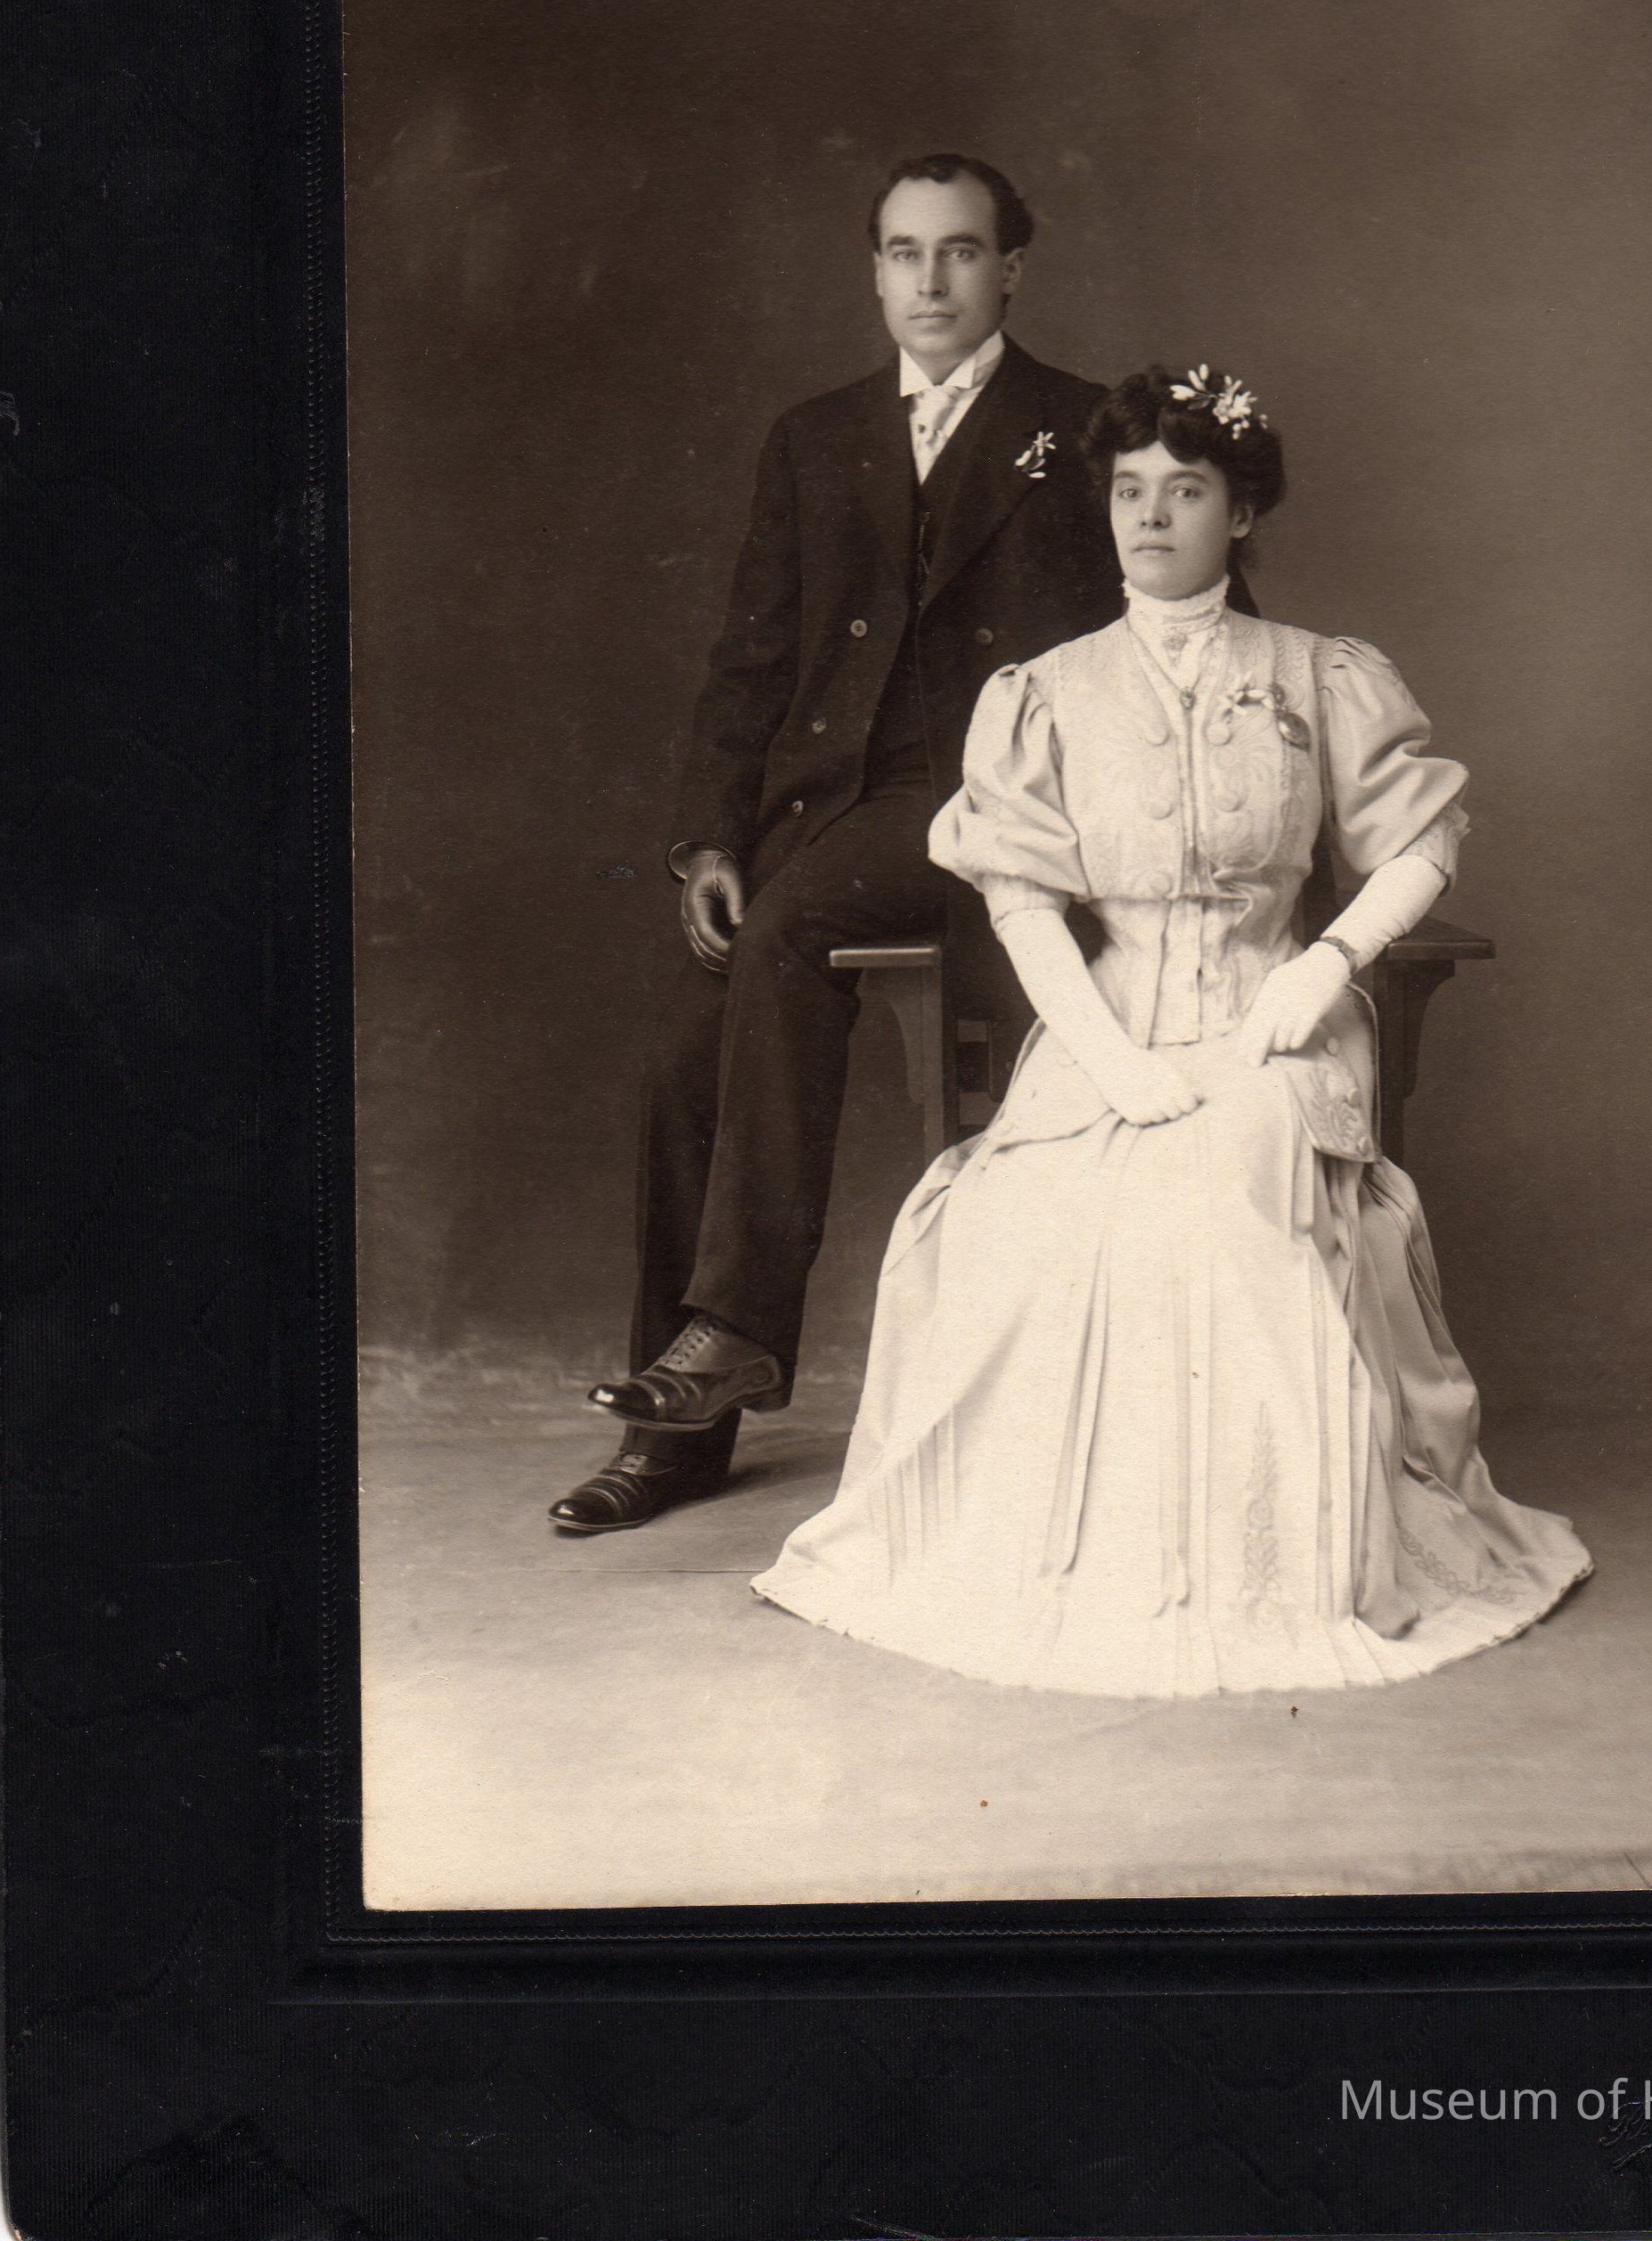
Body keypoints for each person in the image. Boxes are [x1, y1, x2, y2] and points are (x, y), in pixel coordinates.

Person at [752, 365, 1591, 1695]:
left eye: (1186, 491)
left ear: (1239, 512)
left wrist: (1327, 964)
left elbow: (1424, 843)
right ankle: (1073, 1567)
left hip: (1272, 1025)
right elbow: (1021, 897)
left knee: (1226, 1198)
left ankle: (1274, 1573)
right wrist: (1107, 1057)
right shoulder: (1046, 691)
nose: (1151, 517)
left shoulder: (1317, 672)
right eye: (1130, 491)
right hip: (1107, 1027)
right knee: (1017, 1221)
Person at [551, 154, 1121, 1533]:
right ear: (873, 272)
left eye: (961, 251)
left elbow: (1170, 614)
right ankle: (679, 1429)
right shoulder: (814, 437)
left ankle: (738, 1325)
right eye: (904, 252)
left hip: (991, 805)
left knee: (798, 924)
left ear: (1011, 270)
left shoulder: (1086, 425)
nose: (931, 280)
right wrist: (709, 837)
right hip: (822, 808)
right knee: (685, 1050)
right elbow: (751, 657)